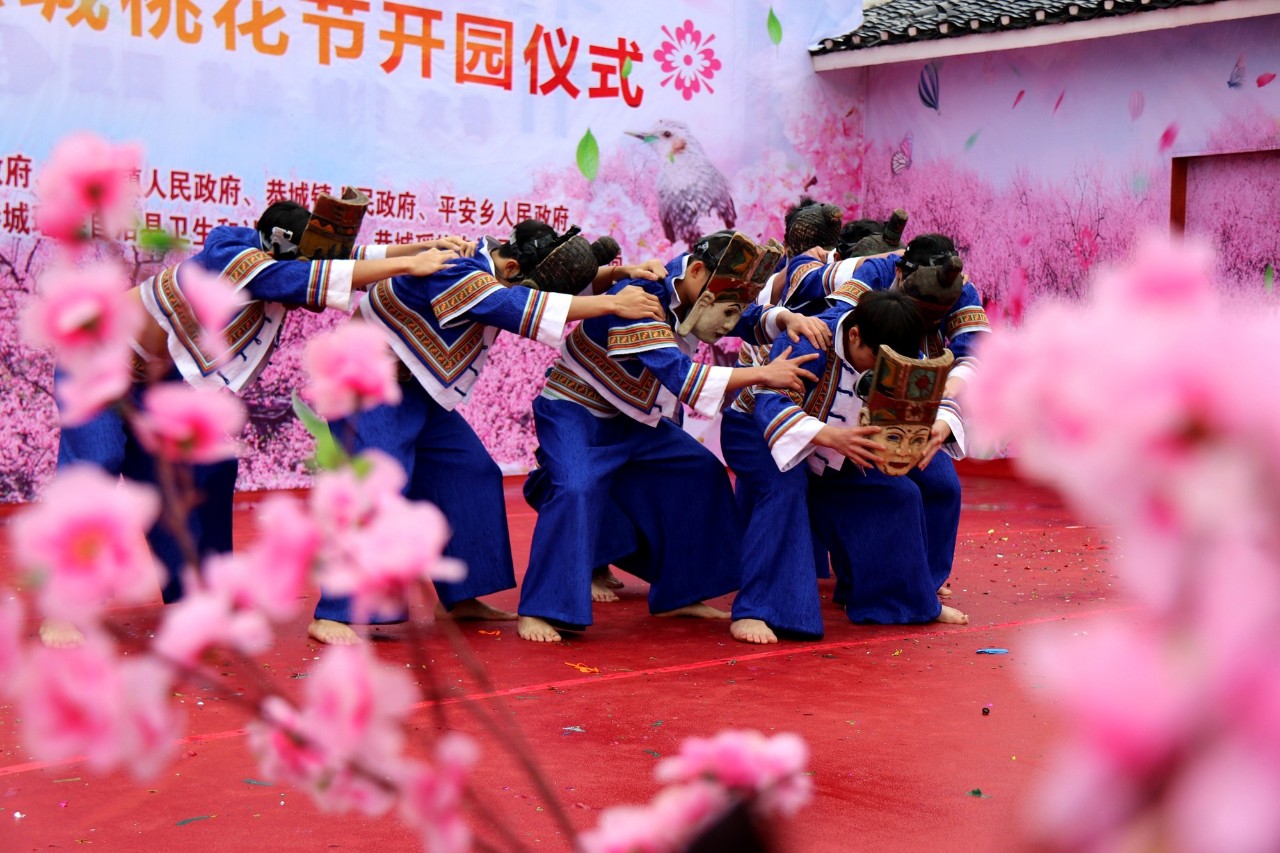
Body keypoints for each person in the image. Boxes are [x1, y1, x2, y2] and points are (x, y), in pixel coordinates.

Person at [43, 199, 461, 647]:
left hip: (155, 385)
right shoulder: (233, 254)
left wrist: (420, 249)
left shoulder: (277, 262)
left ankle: (198, 597)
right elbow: (299, 275)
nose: (307, 267)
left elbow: (345, 260)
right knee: (97, 462)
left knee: (209, 467)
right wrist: (411, 262)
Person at [308, 221, 673, 644]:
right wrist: (612, 305)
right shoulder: (456, 268)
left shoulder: (501, 268)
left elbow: (546, 292)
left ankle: (462, 598)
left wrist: (618, 276)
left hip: (418, 392)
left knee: (472, 472)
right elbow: (516, 304)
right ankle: (334, 612)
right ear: (514, 265)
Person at [516, 230, 831, 643]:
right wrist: (763, 374)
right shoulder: (641, 296)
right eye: (726, 311)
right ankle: (540, 608)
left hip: (636, 420)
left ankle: (680, 592)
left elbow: (749, 317)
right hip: (575, 411)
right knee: (576, 485)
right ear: (697, 272)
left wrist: (783, 318)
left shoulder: (700, 290)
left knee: (700, 471)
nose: (729, 324)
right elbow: (681, 377)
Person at [745, 290, 970, 631]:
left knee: (900, 495)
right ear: (854, 336)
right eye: (877, 362)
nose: (884, 372)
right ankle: (760, 611)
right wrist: (832, 437)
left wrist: (940, 425)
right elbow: (771, 407)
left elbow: (933, 394)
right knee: (786, 493)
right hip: (768, 440)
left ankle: (899, 603)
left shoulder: (899, 346)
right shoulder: (809, 340)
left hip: (841, 448)